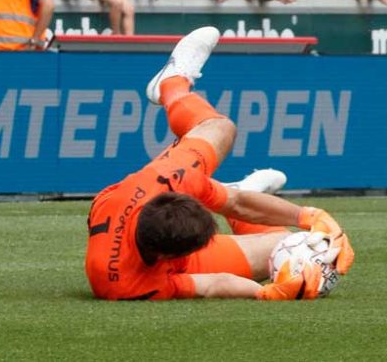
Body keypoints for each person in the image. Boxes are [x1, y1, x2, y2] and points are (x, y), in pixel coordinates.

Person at [85, 26, 355, 300]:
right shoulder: (123, 284)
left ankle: (172, 81)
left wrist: (309, 216)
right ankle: (249, 187)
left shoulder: (170, 179)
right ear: (174, 257)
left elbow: (237, 203)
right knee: (289, 250)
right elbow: (213, 284)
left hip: (144, 189)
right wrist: (266, 292)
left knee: (220, 128)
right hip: (140, 251)